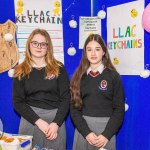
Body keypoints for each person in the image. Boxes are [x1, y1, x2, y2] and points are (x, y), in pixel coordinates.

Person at [12, 28, 70, 150]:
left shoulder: (59, 68)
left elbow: (66, 98)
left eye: (43, 44)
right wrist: (39, 121)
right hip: (30, 120)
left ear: (48, 47)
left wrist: (56, 123)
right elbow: (18, 102)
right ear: (29, 45)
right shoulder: (21, 70)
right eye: (35, 43)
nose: (39, 47)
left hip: (55, 122)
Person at [70, 34, 125, 150]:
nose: (93, 53)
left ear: (104, 52)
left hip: (106, 133)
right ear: (85, 53)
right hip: (83, 131)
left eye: (97, 49)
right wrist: (87, 133)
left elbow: (119, 109)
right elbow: (74, 110)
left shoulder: (113, 76)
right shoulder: (79, 77)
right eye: (89, 50)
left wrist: (107, 134)